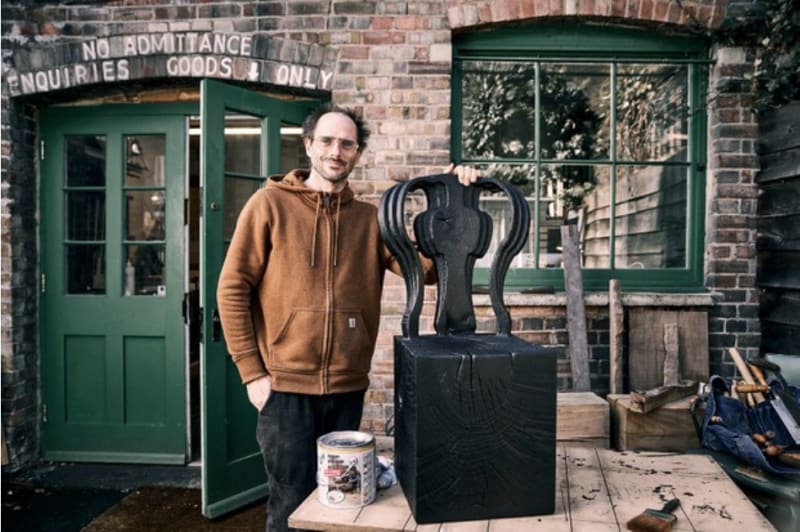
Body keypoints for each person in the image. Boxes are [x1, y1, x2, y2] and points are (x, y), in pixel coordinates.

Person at [216, 102, 479, 531]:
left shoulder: (372, 219)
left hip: (346, 390)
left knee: (340, 506)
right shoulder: (269, 205)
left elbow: (429, 272)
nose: (336, 151)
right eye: (327, 141)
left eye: (346, 144)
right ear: (308, 145)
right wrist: (253, 375)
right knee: (290, 507)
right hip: (284, 389)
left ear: (357, 152)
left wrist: (456, 203)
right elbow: (231, 289)